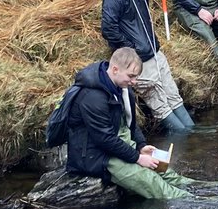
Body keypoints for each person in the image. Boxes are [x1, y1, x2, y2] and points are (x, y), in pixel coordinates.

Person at [65, 47, 202, 199]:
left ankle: (201, 187)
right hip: (94, 156)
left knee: (164, 171)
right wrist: (138, 158)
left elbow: (131, 122)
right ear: (115, 69)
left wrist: (141, 146)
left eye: (136, 77)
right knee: (152, 181)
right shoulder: (92, 97)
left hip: (112, 147)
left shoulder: (122, 87)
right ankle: (201, 202)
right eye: (131, 76)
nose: (134, 82)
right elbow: (104, 138)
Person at [101, 0, 194, 132]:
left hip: (155, 54)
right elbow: (108, 29)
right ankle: (184, 139)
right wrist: (132, 49)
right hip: (139, 61)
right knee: (160, 105)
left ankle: (193, 134)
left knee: (174, 97)